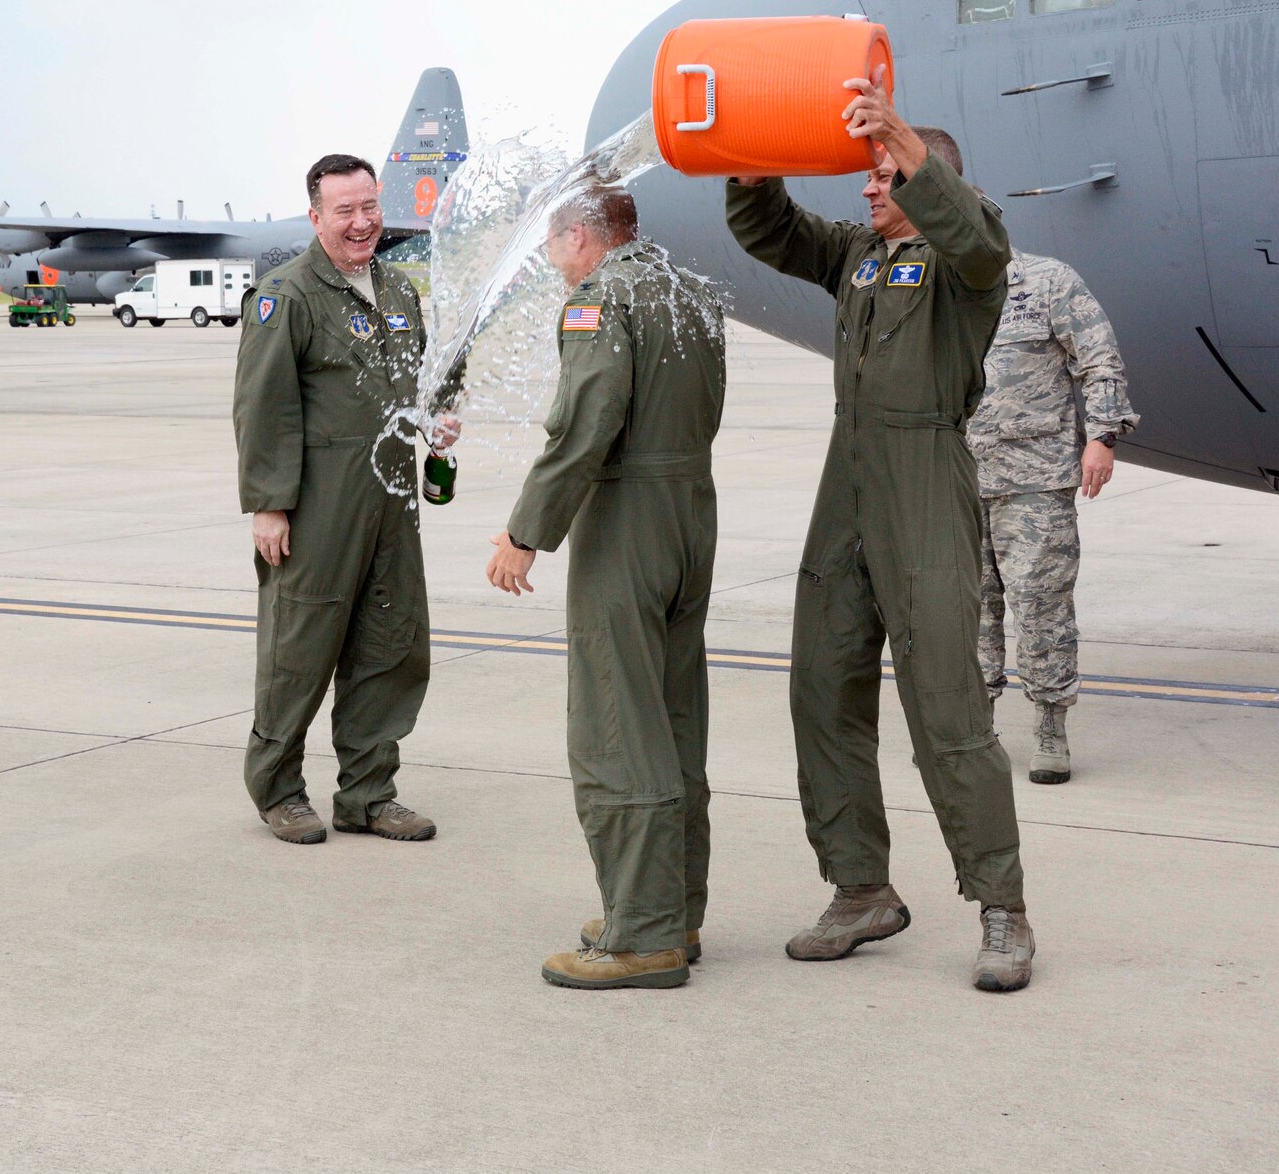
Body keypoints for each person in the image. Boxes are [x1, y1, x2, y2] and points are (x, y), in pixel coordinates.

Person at [724, 69, 1036, 992]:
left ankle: (1002, 910)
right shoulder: (860, 255)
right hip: (846, 485)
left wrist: (904, 138)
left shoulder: (965, 266)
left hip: (926, 485)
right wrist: (752, 155)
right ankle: (860, 888)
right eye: (867, 173)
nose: (867, 186)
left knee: (948, 709)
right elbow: (772, 232)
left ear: (927, 179)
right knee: (821, 691)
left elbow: (978, 244)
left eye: (885, 172)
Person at [487, 185, 726, 990]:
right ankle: (671, 907)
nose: (555, 264)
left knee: (616, 725)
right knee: (673, 715)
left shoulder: (600, 298)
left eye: (555, 247)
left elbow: (585, 423)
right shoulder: (688, 289)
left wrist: (526, 532)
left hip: (628, 517)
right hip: (692, 511)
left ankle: (644, 935)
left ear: (581, 238)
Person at [232, 153, 458, 845]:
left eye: (369, 208)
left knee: (390, 646)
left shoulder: (398, 292)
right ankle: (278, 787)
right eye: (345, 211)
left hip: (390, 500)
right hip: (317, 503)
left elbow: (420, 388)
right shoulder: (287, 295)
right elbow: (261, 406)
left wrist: (438, 426)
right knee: (300, 647)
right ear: (316, 216)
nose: (361, 223)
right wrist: (269, 503)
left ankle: (367, 791)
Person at [968, 250, 1137, 784]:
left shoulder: (1045, 280)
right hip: (953, 474)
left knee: (1041, 606)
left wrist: (1102, 436)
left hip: (1035, 477)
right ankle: (973, 728)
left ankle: (1049, 725)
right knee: (962, 611)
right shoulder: (934, 278)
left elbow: (1100, 359)